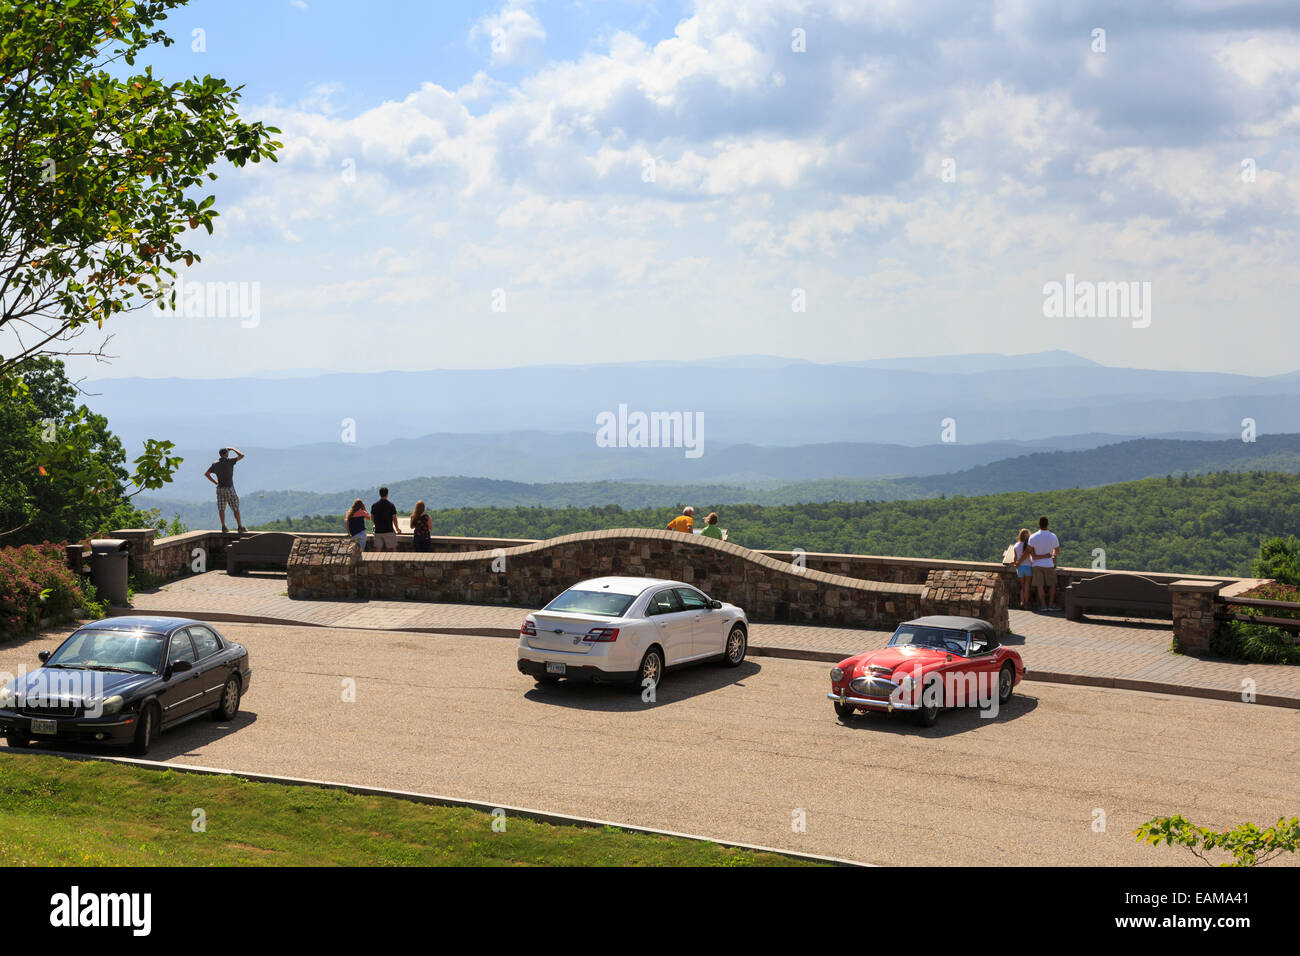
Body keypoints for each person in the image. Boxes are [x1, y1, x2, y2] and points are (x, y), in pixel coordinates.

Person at [204, 447, 246, 533]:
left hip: (219, 489)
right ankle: (240, 527)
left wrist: (216, 482)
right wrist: (233, 449)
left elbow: (207, 474)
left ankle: (223, 526)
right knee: (235, 507)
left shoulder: (215, 464)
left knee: (221, 508)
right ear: (226, 453)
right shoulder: (229, 461)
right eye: (228, 452)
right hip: (229, 488)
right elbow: (242, 455)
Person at [1027, 516, 1061, 611]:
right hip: (1049, 564)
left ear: (1039, 524)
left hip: (1037, 564)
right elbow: (1057, 551)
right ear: (1047, 524)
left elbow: (1029, 551)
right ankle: (1050, 605)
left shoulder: (1033, 537)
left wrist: (1036, 556)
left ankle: (1043, 606)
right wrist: (1051, 556)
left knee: (1040, 586)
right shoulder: (1053, 536)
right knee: (1052, 585)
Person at [370, 487, 402, 551]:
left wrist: (376, 524)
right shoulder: (391, 505)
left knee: (378, 549)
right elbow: (394, 519)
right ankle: (395, 560)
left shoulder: (374, 505)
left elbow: (372, 517)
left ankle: (376, 561)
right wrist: (397, 529)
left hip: (378, 530)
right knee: (393, 548)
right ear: (387, 494)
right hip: (389, 530)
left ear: (379, 494)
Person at [1011, 528, 1033, 608]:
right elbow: (1032, 556)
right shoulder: (1029, 545)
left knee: (1022, 587)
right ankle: (1026, 604)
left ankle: (1021, 602)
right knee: (1027, 587)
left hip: (1020, 568)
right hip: (1028, 567)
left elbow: (1015, 559)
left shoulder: (1016, 545)